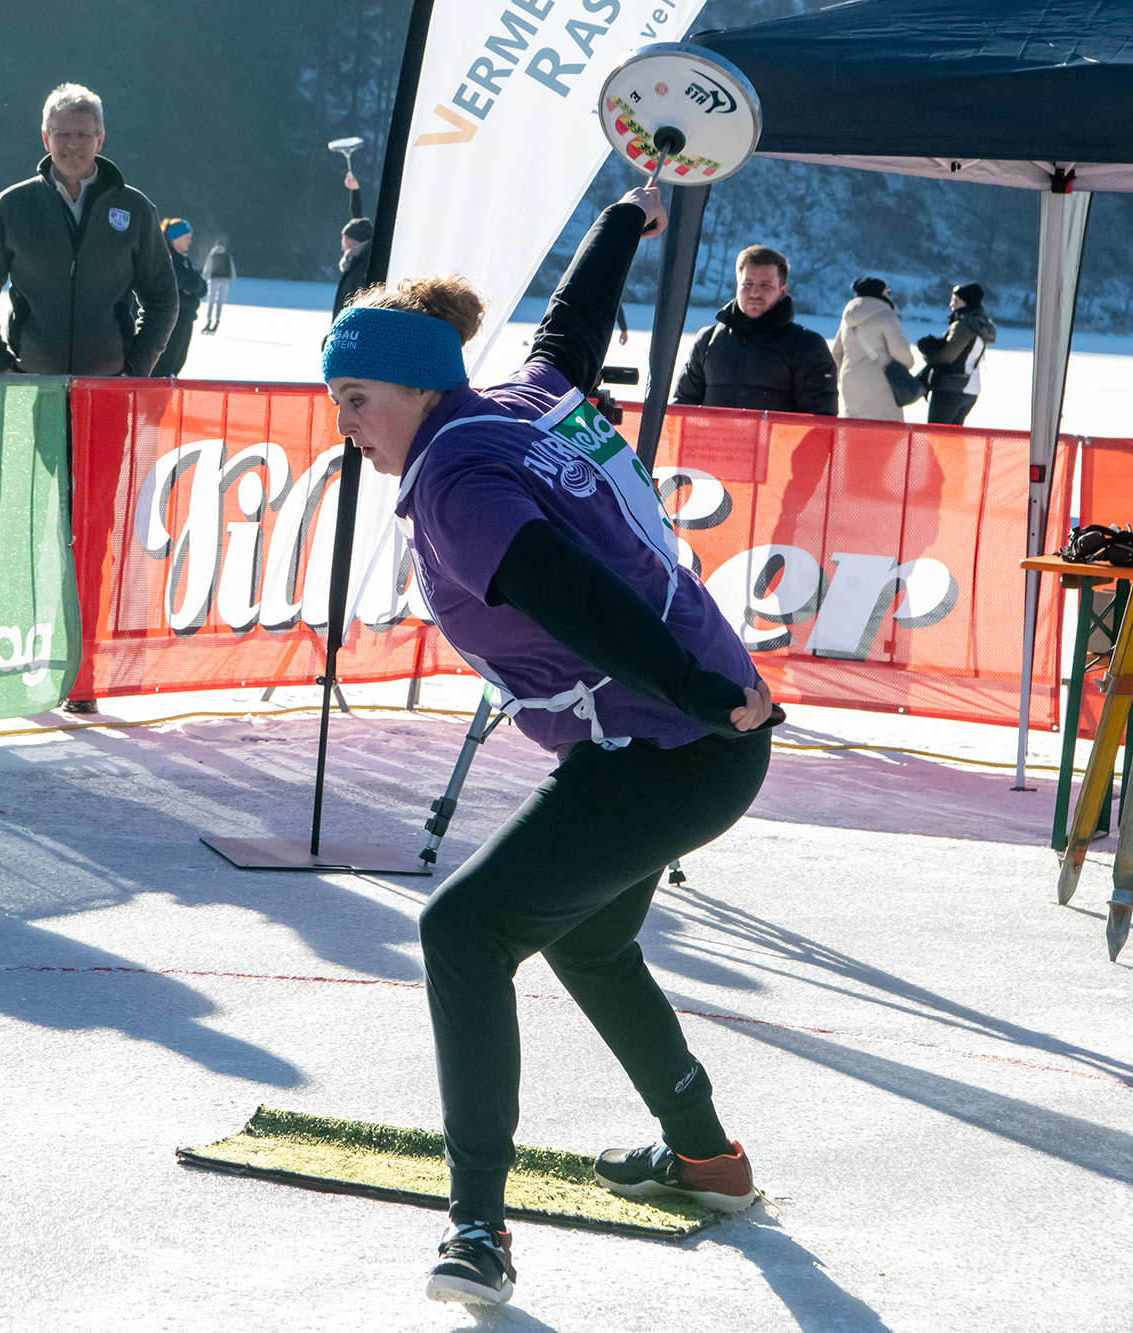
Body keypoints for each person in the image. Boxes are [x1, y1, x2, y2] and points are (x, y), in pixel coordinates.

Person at [323, 182, 778, 1307]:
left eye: (354, 396)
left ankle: (477, 1228)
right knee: (588, 941)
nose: (344, 420)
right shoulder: (520, 401)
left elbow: (570, 594)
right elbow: (570, 328)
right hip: (692, 734)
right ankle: (705, 1160)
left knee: (463, 932)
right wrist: (625, 220)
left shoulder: (456, 479)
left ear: (416, 388)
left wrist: (700, 688)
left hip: (679, 738)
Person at [0, 83, 177, 379]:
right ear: (46, 138)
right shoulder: (12, 207)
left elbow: (162, 298)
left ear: (100, 139)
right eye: (62, 134)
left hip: (109, 387)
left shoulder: (135, 209)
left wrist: (135, 369)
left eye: (83, 135)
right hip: (30, 385)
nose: (72, 144)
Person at [671, 244, 836, 415]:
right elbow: (681, 408)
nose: (755, 293)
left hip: (775, 442)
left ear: (782, 291)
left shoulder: (808, 346)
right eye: (748, 284)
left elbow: (820, 423)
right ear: (737, 285)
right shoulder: (707, 341)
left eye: (766, 285)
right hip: (712, 442)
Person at [829, 276, 916, 421]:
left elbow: (836, 354)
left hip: (850, 382)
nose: (889, 295)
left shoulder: (847, 319)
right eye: (887, 292)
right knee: (886, 434)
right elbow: (900, 352)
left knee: (855, 431)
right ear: (879, 292)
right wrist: (909, 363)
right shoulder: (886, 316)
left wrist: (843, 378)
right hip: (881, 383)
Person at [917, 282, 995, 425]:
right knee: (953, 439)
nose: (951, 305)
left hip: (951, 388)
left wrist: (926, 350)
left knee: (937, 436)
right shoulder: (980, 324)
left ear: (966, 302)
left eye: (955, 300)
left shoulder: (963, 325)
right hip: (971, 389)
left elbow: (946, 356)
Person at [155, 218, 207, 376]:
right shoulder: (167, 259)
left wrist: (193, 288)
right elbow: (188, 282)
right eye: (187, 236)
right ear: (175, 237)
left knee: (177, 364)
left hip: (186, 317)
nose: (190, 240)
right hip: (172, 319)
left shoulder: (184, 260)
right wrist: (192, 287)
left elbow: (201, 287)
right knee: (165, 365)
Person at [332, 171, 374, 316]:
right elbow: (358, 222)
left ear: (355, 241)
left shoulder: (365, 266)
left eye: (344, 240)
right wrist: (355, 191)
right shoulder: (358, 257)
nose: (342, 247)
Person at [201, 239, 235, 333]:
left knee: (211, 301)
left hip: (214, 279)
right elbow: (232, 268)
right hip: (225, 280)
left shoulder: (212, 254)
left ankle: (208, 321)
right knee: (220, 302)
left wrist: (204, 278)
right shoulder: (227, 255)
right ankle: (217, 320)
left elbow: (208, 266)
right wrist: (231, 278)